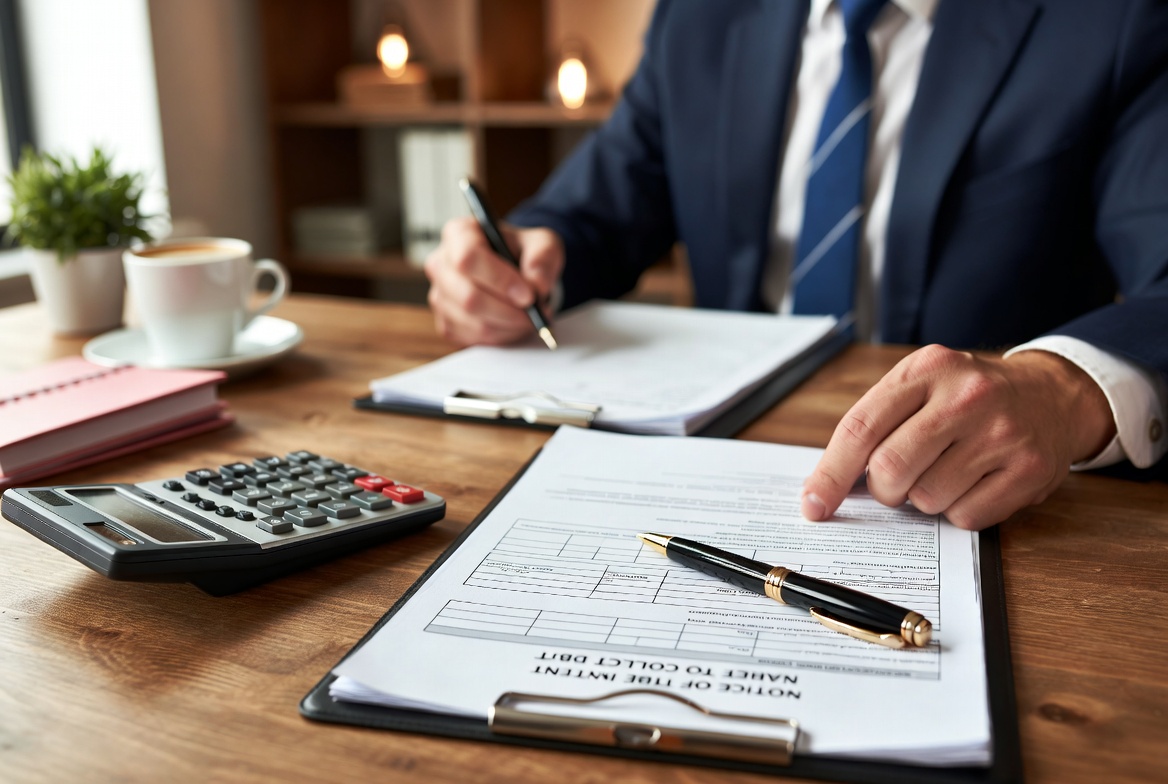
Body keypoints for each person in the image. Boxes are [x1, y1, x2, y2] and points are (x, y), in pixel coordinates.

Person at [424, 0, 1168, 530]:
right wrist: (514, 259)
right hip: (711, 466)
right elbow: (594, 217)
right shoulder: (699, 17)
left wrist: (1061, 392)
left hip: (972, 500)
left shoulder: (1113, 20)